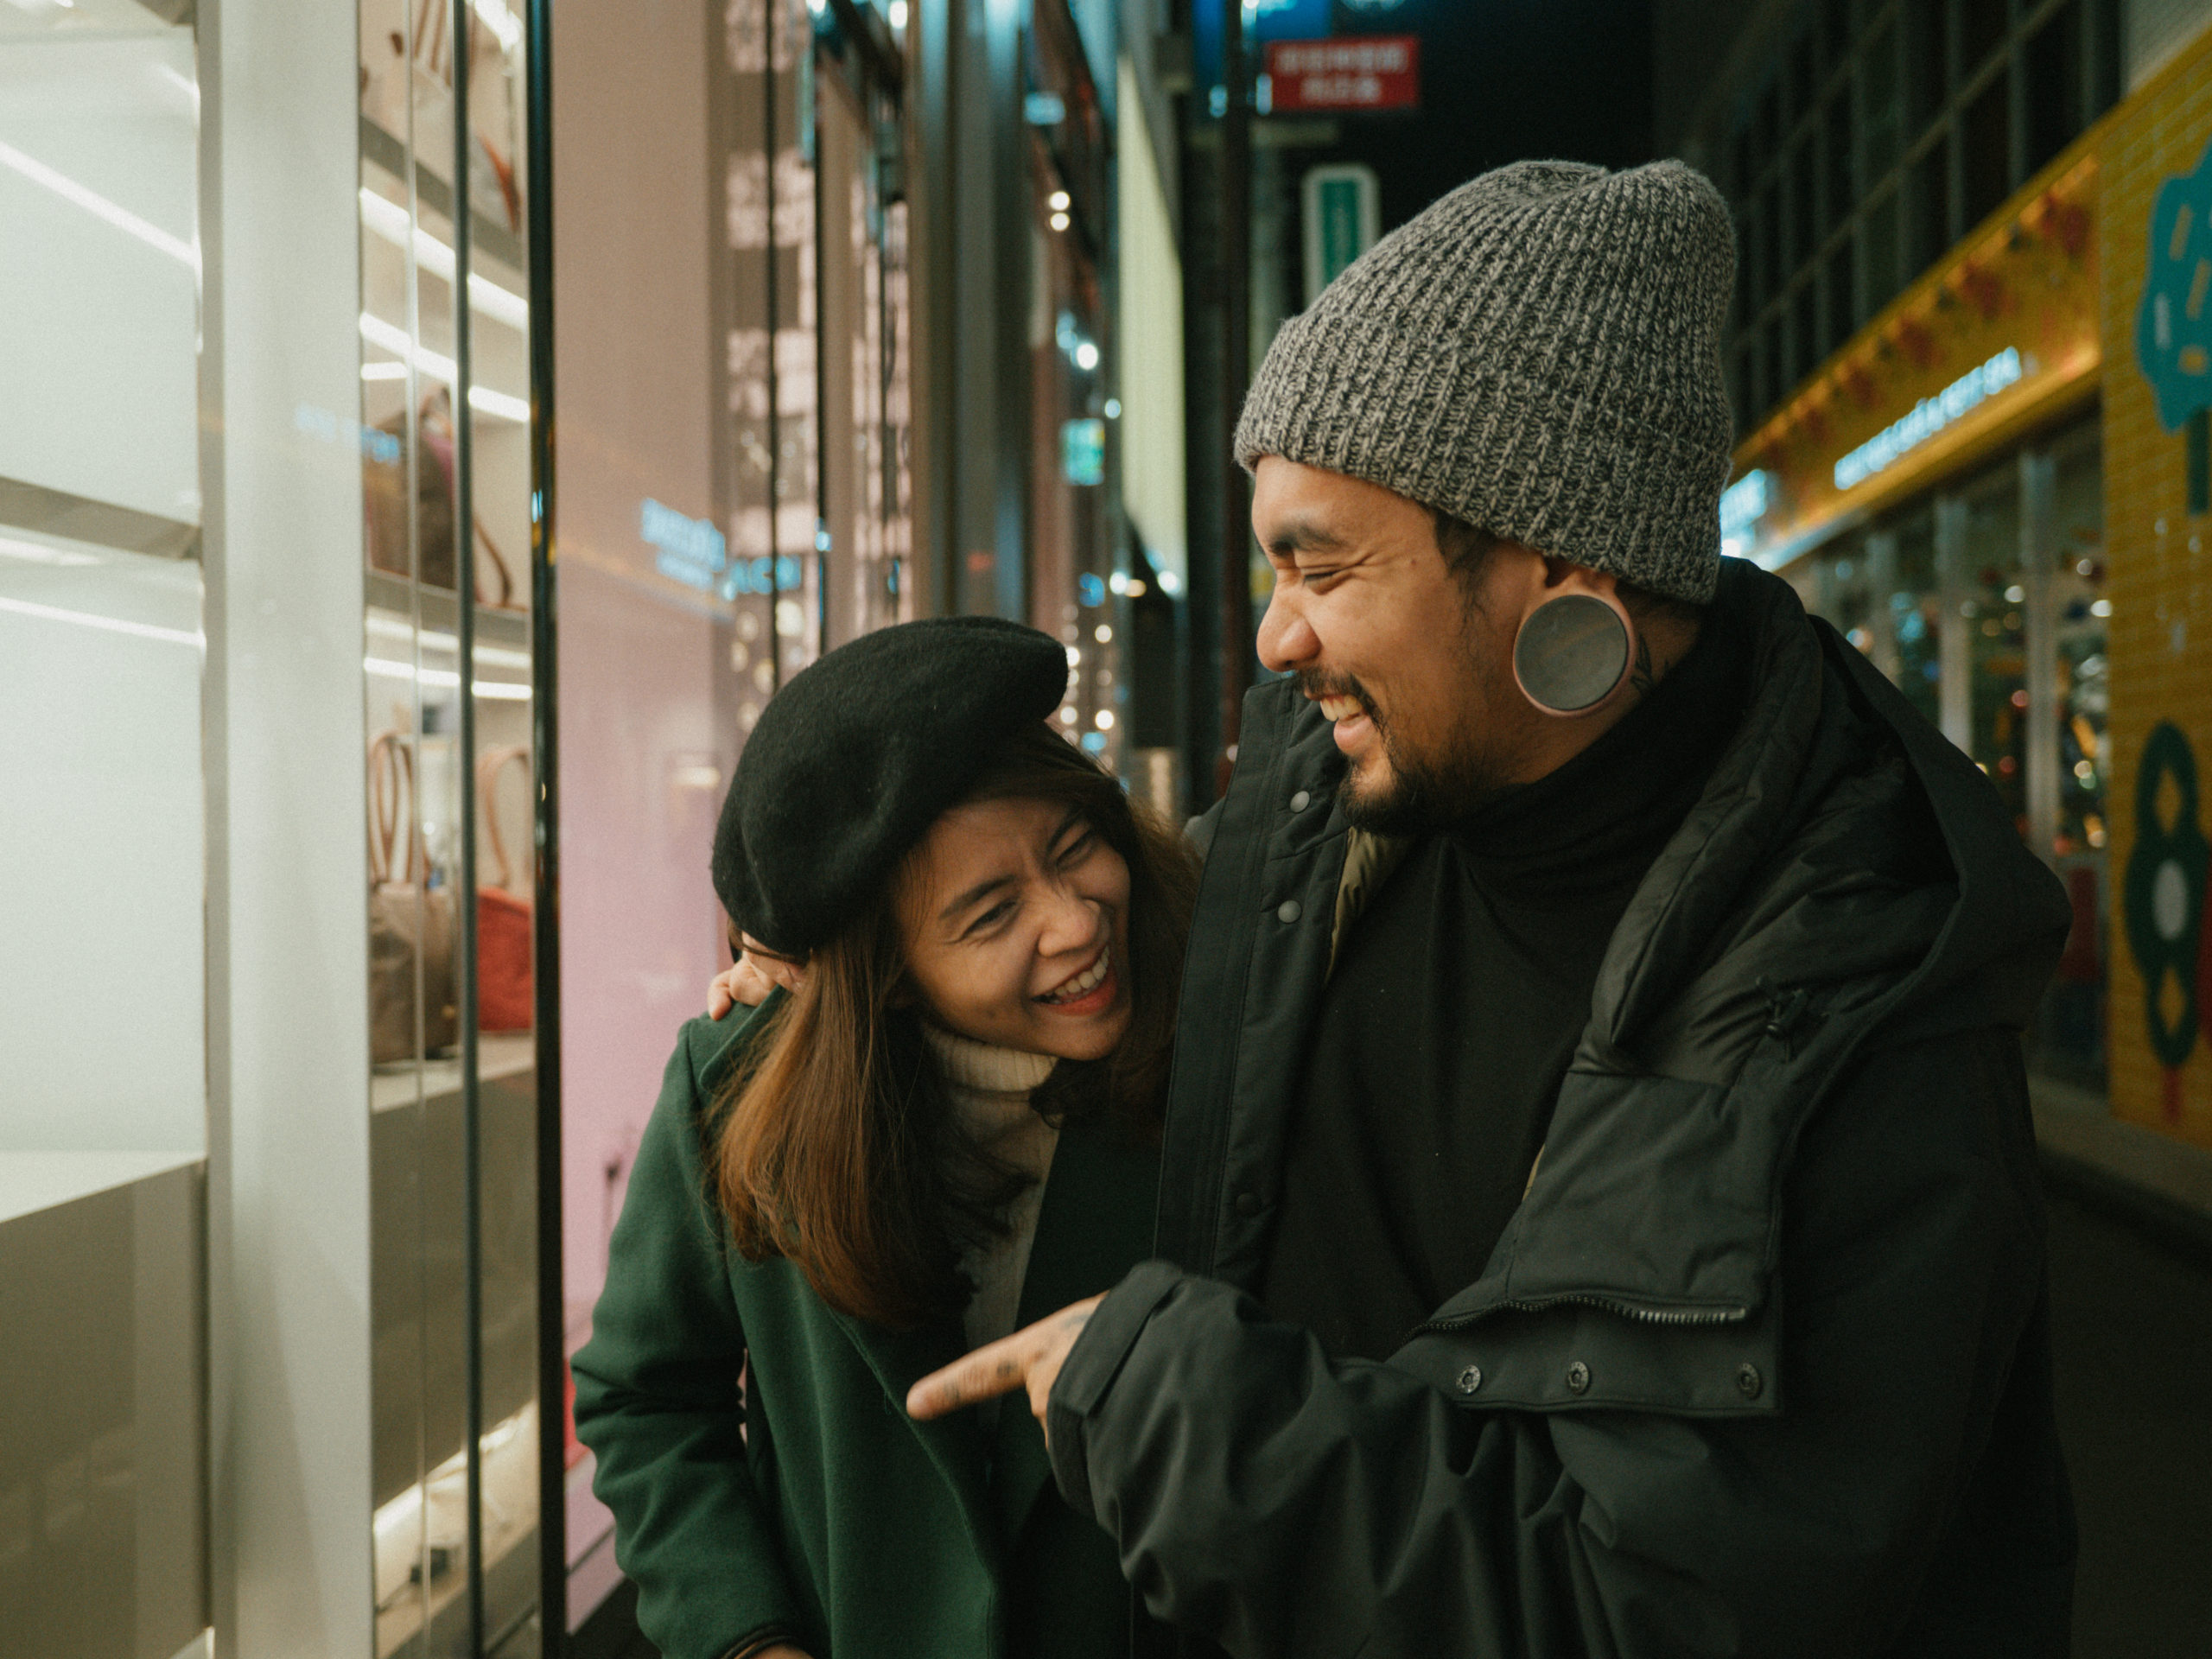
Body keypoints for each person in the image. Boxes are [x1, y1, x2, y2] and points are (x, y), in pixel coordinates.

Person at [910, 161, 2077, 1655]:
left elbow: (1654, 1612)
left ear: (1555, 566)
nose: (1275, 640)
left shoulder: (1868, 1014)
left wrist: (1179, 1416)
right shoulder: (1315, 824)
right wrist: (817, 966)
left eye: (1322, 566)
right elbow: (1086, 956)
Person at [571, 616, 1198, 1659]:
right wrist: (742, 1637)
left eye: (1075, 848)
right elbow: (646, 1396)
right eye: (991, 914)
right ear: (888, 976)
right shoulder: (738, 1088)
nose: (1076, 922)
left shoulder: (1218, 1042)